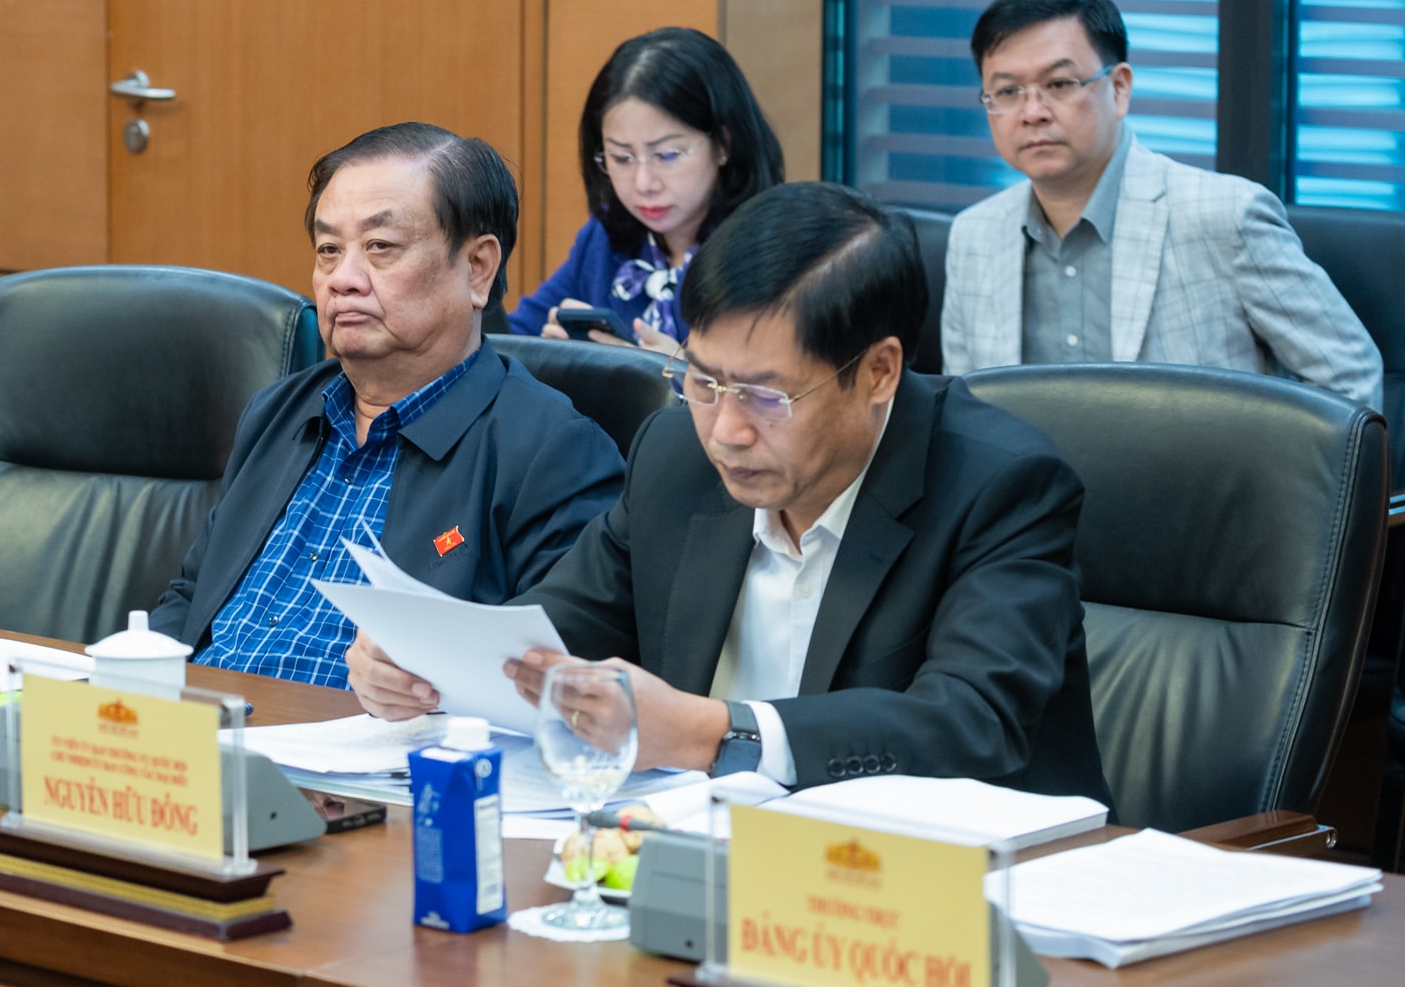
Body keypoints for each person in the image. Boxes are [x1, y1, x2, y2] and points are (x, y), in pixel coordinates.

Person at [351, 182, 1111, 800]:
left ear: (879, 372)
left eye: (765, 396)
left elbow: (971, 724)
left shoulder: (999, 484)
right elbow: (559, 628)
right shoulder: (676, 455)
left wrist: (713, 733)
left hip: (950, 889)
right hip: (702, 856)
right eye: (703, 380)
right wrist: (430, 662)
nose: (726, 430)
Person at [147, 122, 626, 690]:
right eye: (329, 250)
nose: (342, 280)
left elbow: (558, 678)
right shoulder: (278, 413)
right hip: (202, 729)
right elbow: (192, 596)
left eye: (380, 247)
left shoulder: (554, 451)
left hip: (370, 744)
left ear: (477, 268)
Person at [942, 0, 1380, 407]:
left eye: (1059, 84)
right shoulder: (973, 236)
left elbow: (1349, 379)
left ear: (1119, 88)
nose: (1032, 112)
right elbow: (962, 413)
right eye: (1008, 91)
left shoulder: (1225, 217)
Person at [505, 28, 785, 355]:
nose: (643, 184)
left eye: (667, 155)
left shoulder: (774, 254)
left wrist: (674, 373)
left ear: (723, 143)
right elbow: (511, 338)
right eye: (622, 158)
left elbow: (784, 386)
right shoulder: (604, 239)